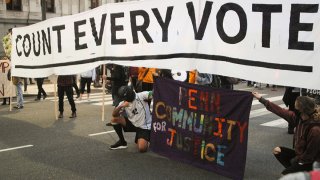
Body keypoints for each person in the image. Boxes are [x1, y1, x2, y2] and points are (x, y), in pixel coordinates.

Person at [252, 91, 320, 175]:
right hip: (300, 154)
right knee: (278, 150)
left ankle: (301, 173)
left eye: (296, 107)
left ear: (302, 110)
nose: (294, 108)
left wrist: (296, 162)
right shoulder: (298, 118)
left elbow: (309, 156)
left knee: (284, 175)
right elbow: (280, 111)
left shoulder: (315, 130)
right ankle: (296, 172)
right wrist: (261, 99)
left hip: (310, 162)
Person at [109, 86, 152, 152]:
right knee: (114, 119)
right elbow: (114, 114)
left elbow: (154, 93)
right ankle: (122, 142)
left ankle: (150, 136)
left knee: (142, 149)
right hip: (133, 124)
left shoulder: (141, 95)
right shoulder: (123, 102)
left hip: (144, 127)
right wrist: (121, 106)